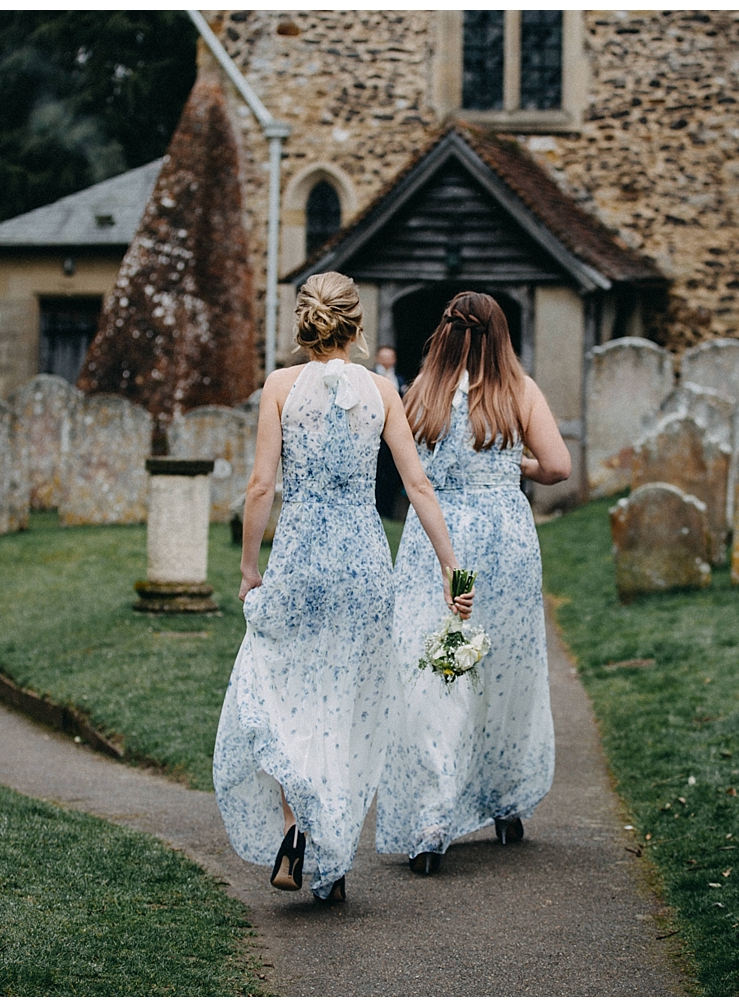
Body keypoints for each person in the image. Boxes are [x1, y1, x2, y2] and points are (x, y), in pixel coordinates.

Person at [212, 271, 472, 904]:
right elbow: (419, 488)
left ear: (306, 322)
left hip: (299, 560)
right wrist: (453, 572)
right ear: (356, 327)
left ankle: (299, 832)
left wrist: (250, 571)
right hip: (362, 565)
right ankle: (332, 857)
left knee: (287, 693)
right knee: (350, 706)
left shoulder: (279, 386)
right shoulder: (382, 389)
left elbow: (259, 488)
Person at [374, 291, 571, 875]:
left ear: (445, 334)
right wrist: (518, 464)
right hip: (503, 546)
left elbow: (406, 471)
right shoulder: (519, 391)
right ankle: (505, 799)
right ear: (500, 335)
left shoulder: (420, 393)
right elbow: (558, 466)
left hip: (439, 546)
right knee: (503, 668)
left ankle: (432, 815)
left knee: (439, 670)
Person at [373, 346, 406, 518]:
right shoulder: (369, 376)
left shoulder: (399, 379)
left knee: (393, 472)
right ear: (377, 357)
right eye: (383, 356)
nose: (387, 360)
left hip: (394, 431)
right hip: (375, 430)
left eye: (390, 356)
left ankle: (389, 510)